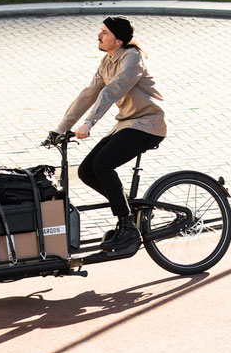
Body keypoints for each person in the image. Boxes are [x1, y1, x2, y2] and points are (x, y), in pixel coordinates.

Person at [47, 15, 167, 252]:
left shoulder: (133, 59)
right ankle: (127, 213)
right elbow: (89, 93)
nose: (99, 35)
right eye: (100, 31)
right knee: (86, 171)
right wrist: (61, 128)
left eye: (104, 32)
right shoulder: (107, 61)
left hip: (147, 124)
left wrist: (90, 122)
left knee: (102, 164)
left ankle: (127, 225)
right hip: (127, 124)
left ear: (119, 40)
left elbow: (111, 92)